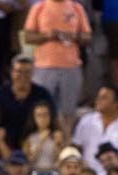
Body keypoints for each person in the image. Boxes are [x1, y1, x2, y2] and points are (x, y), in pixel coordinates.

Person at [22, 0, 91, 131]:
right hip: (44, 67)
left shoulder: (76, 8)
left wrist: (74, 37)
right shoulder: (39, 7)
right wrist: (48, 35)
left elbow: (87, 36)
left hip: (71, 66)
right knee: (41, 109)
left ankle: (65, 142)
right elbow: (28, 36)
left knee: (68, 111)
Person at [0, 55, 56, 152]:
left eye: (27, 72)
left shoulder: (43, 94)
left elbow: (53, 119)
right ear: (11, 73)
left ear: (33, 73)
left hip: (35, 147)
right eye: (19, 72)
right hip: (4, 147)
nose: (23, 76)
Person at [73, 84, 118, 175]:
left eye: (104, 98)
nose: (98, 100)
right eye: (98, 97)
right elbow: (76, 149)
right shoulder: (86, 121)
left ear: (116, 103)